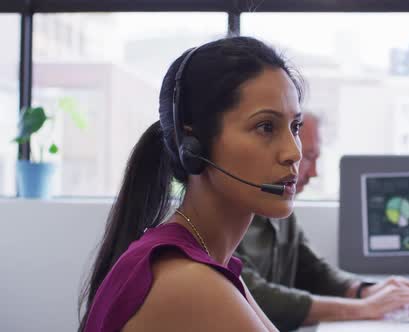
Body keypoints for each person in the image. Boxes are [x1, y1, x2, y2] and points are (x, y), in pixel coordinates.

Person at [78, 36, 306, 332]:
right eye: (265, 127)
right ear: (193, 145)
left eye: (295, 127)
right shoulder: (189, 281)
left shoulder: (211, 265)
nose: (294, 152)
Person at [236, 113, 409, 331]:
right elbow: (254, 294)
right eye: (308, 157)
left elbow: (312, 269)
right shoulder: (227, 223)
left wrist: (361, 290)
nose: (313, 173)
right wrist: (363, 309)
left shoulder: (279, 208)